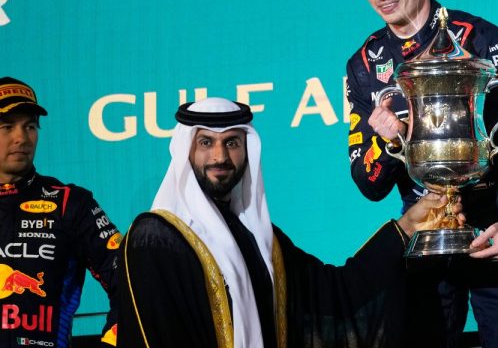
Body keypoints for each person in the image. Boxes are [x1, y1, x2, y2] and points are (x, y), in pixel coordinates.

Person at [117, 97, 462, 348]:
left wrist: (407, 227)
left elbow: (337, 295)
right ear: (186, 151)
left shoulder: (263, 241)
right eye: (206, 143)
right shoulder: (155, 238)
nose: (220, 157)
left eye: (232, 143)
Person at [345, 0, 498, 347]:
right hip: (424, 241)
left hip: (496, 229)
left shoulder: (483, 40)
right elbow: (369, 184)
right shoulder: (364, 66)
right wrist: (389, 141)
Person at [0, 77, 120, 347]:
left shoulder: (70, 203)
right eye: (7, 126)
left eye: (30, 126)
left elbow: (128, 281)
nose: (21, 137)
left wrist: (113, 341)